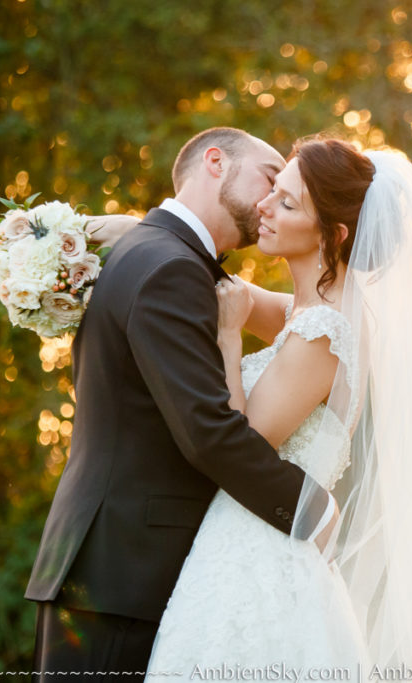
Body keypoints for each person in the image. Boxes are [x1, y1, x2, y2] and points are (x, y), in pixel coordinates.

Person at [144, 137, 412, 680]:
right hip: (248, 541)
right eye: (274, 191)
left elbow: (239, 442)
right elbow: (207, 273)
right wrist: (92, 232)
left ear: (332, 236)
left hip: (261, 557)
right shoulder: (310, 313)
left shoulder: (324, 333)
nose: (263, 205)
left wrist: (229, 339)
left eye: (286, 204)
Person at [24, 127, 337, 681]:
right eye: (269, 179)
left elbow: (304, 318)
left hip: (114, 572)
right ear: (215, 162)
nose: (269, 200)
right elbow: (210, 432)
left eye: (284, 196)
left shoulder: (159, 254)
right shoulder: (171, 267)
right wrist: (313, 509)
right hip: (121, 578)